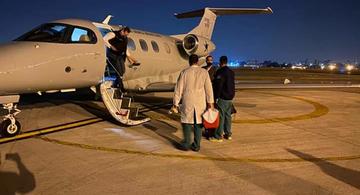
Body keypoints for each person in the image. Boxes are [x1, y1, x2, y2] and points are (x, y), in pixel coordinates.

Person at [172, 54, 214, 152]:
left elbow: (178, 89)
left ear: (189, 61)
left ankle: (186, 144)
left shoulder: (184, 72)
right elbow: (209, 89)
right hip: (200, 102)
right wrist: (210, 103)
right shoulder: (204, 72)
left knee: (186, 123)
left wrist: (175, 103)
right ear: (198, 62)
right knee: (198, 124)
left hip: (188, 101)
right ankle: (196, 146)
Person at [210, 56, 235, 142]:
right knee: (228, 116)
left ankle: (218, 135)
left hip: (223, 97)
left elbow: (219, 86)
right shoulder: (231, 72)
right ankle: (228, 134)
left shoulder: (220, 72)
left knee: (220, 116)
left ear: (220, 62)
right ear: (226, 62)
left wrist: (216, 97)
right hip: (230, 97)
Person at [202, 55, 217, 139]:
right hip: (203, 93)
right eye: (208, 60)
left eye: (211, 60)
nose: (209, 61)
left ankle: (211, 130)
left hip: (211, 93)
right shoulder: (203, 69)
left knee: (211, 112)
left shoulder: (215, 69)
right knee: (205, 112)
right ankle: (206, 128)